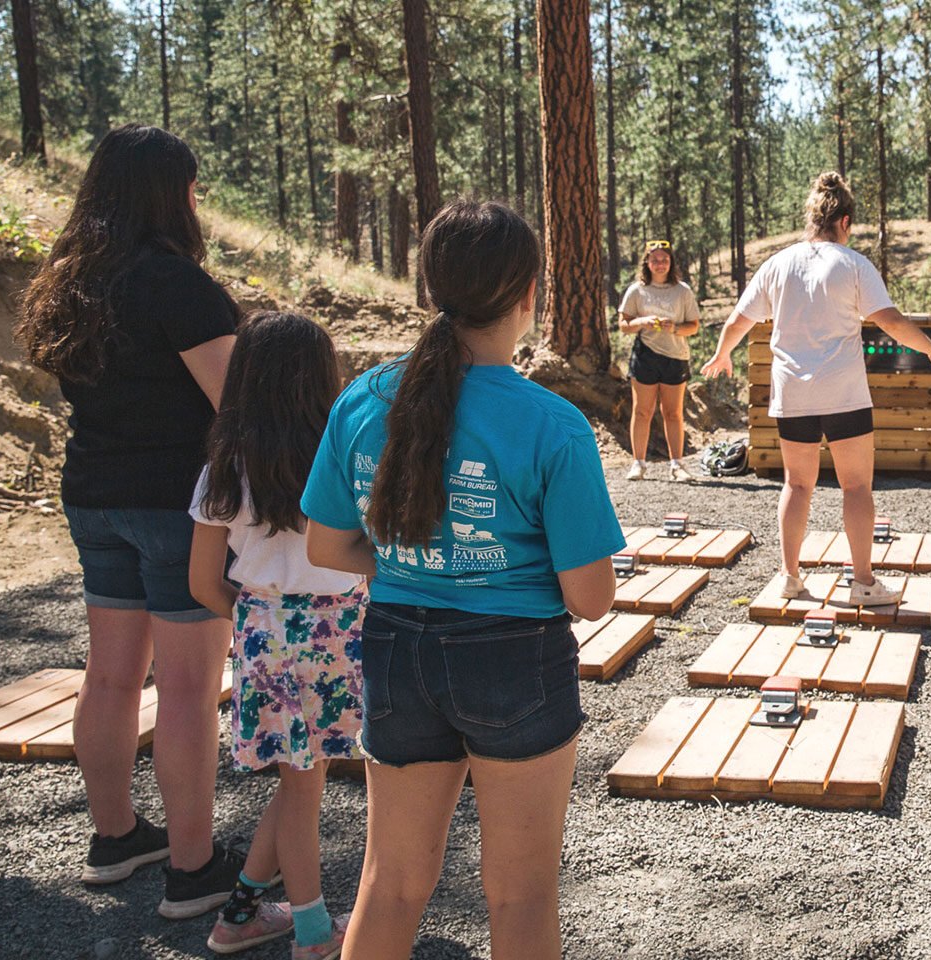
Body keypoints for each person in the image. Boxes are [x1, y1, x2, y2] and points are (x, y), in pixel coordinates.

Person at [300, 200, 621, 960]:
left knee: (390, 883)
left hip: (395, 648)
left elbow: (324, 543)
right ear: (529, 296)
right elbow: (591, 597)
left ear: (427, 289)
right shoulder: (553, 424)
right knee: (519, 894)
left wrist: (419, 567)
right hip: (514, 658)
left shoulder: (364, 398)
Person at [15, 124, 242, 917]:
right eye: (190, 185)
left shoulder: (69, 278)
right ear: (168, 192)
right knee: (187, 685)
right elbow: (237, 408)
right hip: (178, 506)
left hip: (94, 497)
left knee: (109, 675)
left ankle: (116, 837)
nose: (195, 200)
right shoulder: (176, 283)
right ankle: (194, 868)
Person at [187, 312, 363, 958]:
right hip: (339, 630)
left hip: (262, 629)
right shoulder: (341, 458)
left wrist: (259, 617)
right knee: (303, 781)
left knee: (299, 780)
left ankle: (239, 913)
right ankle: (313, 933)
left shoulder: (225, 465)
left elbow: (203, 582)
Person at [701, 172, 931, 606]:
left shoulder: (778, 263)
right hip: (843, 394)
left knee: (796, 485)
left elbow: (737, 321)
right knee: (856, 487)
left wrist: (722, 353)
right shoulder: (854, 264)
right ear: (844, 221)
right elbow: (891, 322)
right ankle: (863, 583)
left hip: (793, 395)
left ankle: (789, 577)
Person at [618, 239, 700, 482]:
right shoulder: (636, 291)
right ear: (647, 263)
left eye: (664, 259)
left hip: (675, 356)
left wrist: (674, 328)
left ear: (671, 262)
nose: (660, 264)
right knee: (642, 411)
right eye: (655, 260)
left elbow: (693, 326)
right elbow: (624, 325)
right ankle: (638, 464)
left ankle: (677, 465)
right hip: (645, 355)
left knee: (673, 413)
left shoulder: (682, 291)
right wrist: (642, 322)